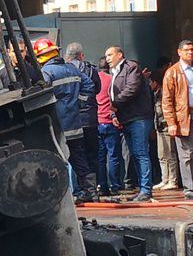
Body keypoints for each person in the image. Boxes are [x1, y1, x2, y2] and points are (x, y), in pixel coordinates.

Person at [36, 39, 96, 203]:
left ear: (40, 57)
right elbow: (90, 86)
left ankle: (63, 196)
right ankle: (91, 192)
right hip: (75, 124)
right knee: (79, 159)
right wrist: (79, 103)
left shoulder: (46, 72)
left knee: (56, 160)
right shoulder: (72, 68)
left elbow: (42, 98)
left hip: (56, 126)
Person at [160, 41, 193, 198]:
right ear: (179, 52)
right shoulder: (172, 72)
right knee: (186, 153)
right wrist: (171, 122)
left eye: (192, 49)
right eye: (186, 50)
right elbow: (167, 100)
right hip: (183, 116)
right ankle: (189, 188)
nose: (190, 52)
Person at [104, 46, 156, 202]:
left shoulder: (131, 67)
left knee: (141, 153)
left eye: (110, 55)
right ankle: (142, 189)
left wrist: (114, 105)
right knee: (135, 154)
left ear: (120, 55)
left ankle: (146, 189)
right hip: (126, 118)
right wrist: (114, 114)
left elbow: (131, 89)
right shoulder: (114, 72)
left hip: (138, 117)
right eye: (106, 56)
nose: (107, 58)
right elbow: (113, 94)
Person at [66, 44, 103, 199]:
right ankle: (93, 189)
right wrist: (82, 101)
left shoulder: (65, 70)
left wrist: (75, 103)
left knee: (75, 155)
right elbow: (97, 88)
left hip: (73, 120)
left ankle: (80, 190)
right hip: (90, 119)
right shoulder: (91, 70)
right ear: (81, 55)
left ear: (67, 56)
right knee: (92, 154)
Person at [94, 59, 123, 198]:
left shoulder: (93, 80)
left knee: (100, 157)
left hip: (97, 122)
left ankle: (102, 186)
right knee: (113, 156)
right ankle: (115, 186)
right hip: (111, 122)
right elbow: (117, 100)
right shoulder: (112, 80)